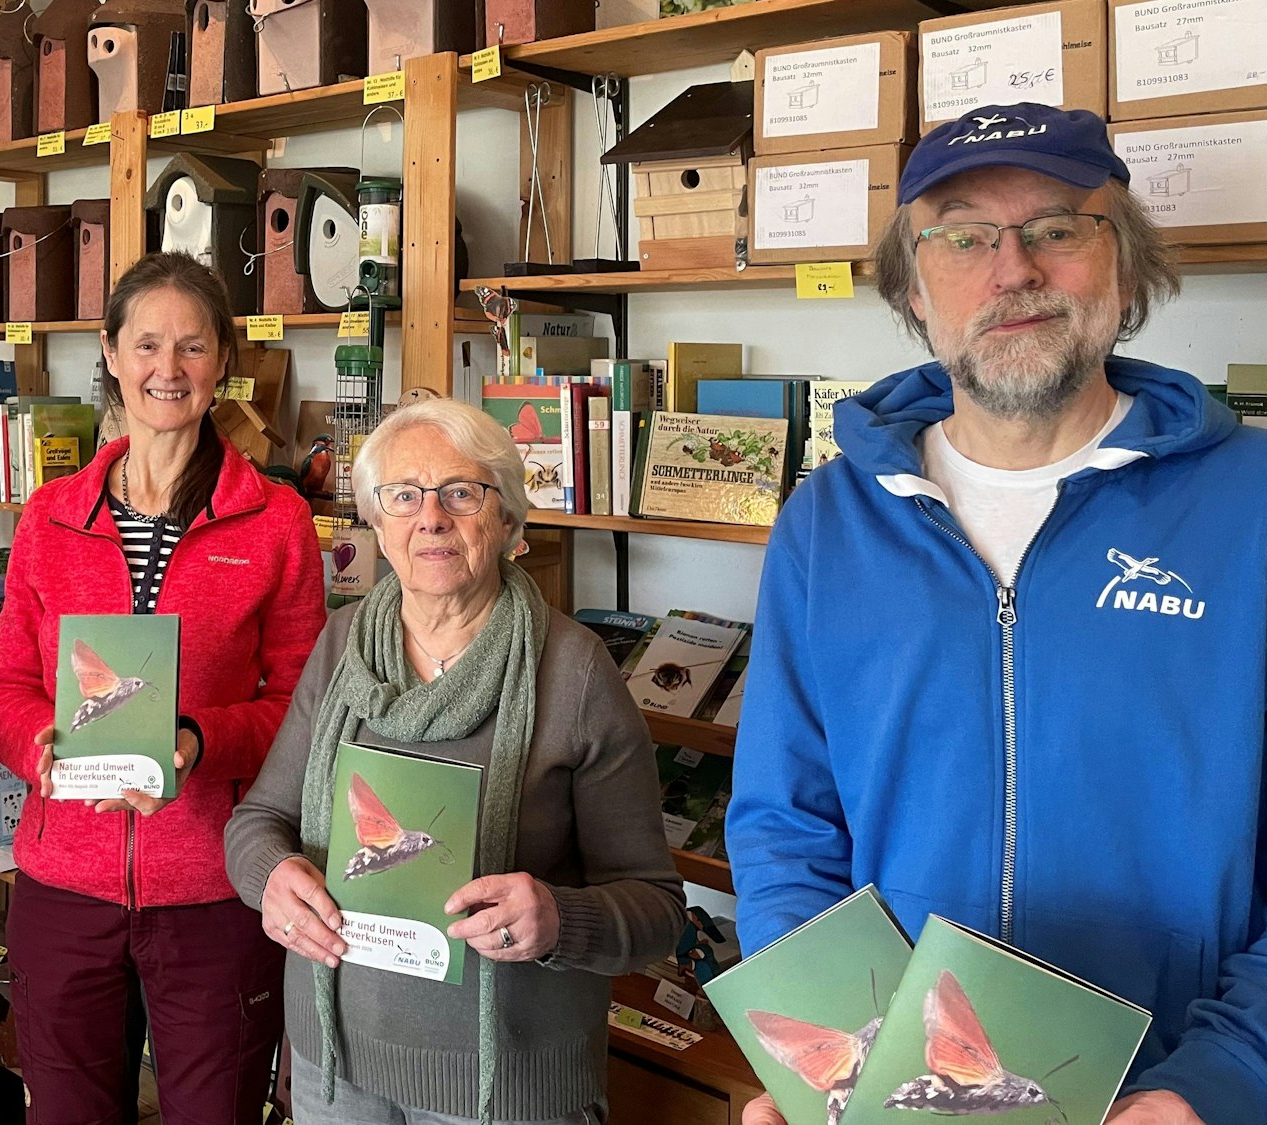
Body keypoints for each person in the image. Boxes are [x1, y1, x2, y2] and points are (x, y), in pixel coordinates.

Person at [728, 103, 1267, 1125]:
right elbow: (785, 827)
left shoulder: (1252, 507)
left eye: (1057, 227)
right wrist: (826, 1064)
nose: (1010, 268)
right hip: (907, 1100)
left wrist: (1219, 1080)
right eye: (962, 235)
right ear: (914, 290)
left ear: (1123, 268)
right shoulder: (826, 523)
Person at [224, 399, 687, 1125]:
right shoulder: (342, 645)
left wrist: (560, 920)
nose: (431, 516)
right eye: (404, 495)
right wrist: (270, 879)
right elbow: (258, 820)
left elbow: (658, 908)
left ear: (505, 521)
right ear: (378, 522)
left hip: (506, 1092)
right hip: (335, 1069)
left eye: (461, 493)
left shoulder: (574, 670)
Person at [0, 251, 326, 1124]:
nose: (167, 370)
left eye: (192, 347)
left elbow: (303, 704)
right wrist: (39, 747)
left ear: (223, 362)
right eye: (145, 345)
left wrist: (199, 737)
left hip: (215, 887)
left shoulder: (276, 521)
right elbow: (10, 683)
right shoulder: (50, 517)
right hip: (65, 887)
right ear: (109, 352)